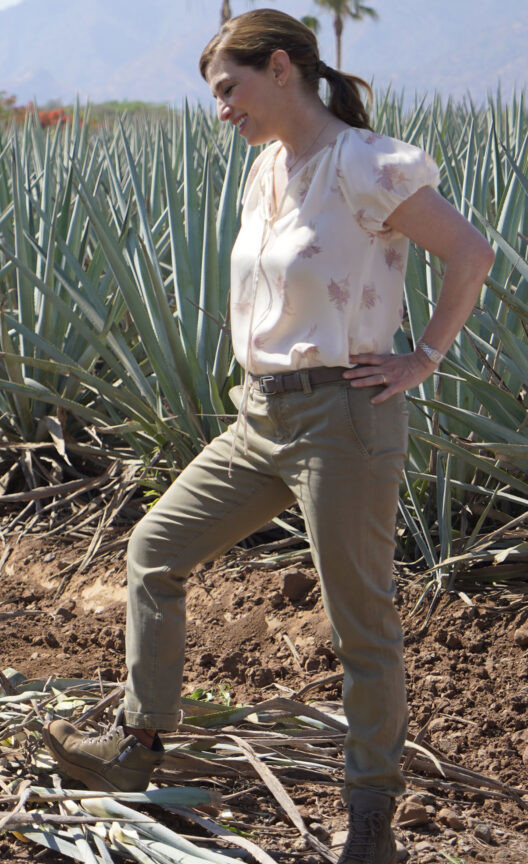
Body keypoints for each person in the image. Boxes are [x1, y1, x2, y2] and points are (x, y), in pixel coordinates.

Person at [42, 10, 492, 864]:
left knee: (361, 623)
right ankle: (137, 749)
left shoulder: (367, 163)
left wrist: (421, 359)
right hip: (260, 416)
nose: (221, 110)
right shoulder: (264, 172)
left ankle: (370, 826)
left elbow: (470, 253)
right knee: (154, 550)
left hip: (344, 417)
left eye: (229, 89)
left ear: (281, 69)